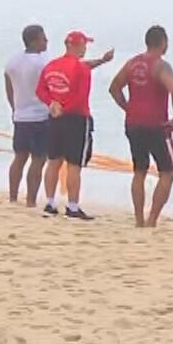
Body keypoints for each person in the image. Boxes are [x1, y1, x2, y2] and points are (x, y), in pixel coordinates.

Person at [109, 25, 173, 228]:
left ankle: (138, 220)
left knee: (139, 171)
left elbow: (114, 88)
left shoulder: (132, 63)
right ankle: (152, 219)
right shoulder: (161, 66)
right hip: (156, 125)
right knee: (168, 172)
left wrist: (128, 108)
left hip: (133, 124)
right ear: (164, 43)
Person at [38, 30, 115, 219]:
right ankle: (72, 206)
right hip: (76, 119)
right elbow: (81, 96)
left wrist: (51, 104)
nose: (85, 49)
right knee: (74, 164)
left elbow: (40, 89)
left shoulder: (52, 65)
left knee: (53, 161)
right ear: (76, 45)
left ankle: (50, 202)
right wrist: (64, 108)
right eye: (84, 45)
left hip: (55, 118)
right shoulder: (80, 70)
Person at [3, 24, 51, 207]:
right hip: (39, 115)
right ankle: (31, 200)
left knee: (19, 157)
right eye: (43, 38)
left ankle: (13, 197)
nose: (46, 41)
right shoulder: (42, 63)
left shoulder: (13, 61)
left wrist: (14, 107)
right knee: (38, 159)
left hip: (21, 116)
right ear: (34, 41)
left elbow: (8, 85)